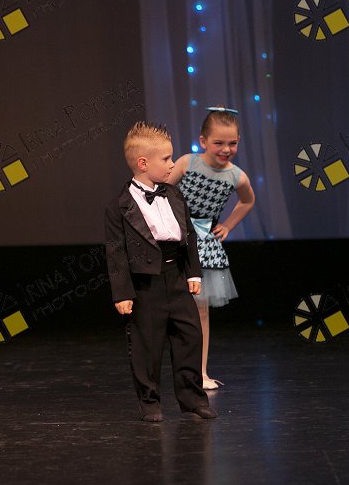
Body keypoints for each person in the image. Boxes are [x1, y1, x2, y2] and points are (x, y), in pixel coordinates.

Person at [105, 121, 216, 422]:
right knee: (147, 344)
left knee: (189, 336)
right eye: (166, 159)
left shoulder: (174, 195)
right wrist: (122, 293)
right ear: (143, 163)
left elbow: (189, 235)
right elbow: (116, 252)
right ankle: (149, 402)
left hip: (176, 277)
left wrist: (193, 273)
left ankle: (192, 398)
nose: (171, 164)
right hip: (145, 284)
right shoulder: (119, 206)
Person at [170, 106, 255, 390]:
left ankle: (201, 372)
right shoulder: (187, 163)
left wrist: (228, 225)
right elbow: (161, 191)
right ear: (203, 141)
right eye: (218, 142)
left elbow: (247, 201)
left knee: (201, 311)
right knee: (170, 307)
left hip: (203, 244)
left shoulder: (236, 176)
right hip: (174, 237)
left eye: (232, 143)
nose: (226, 149)